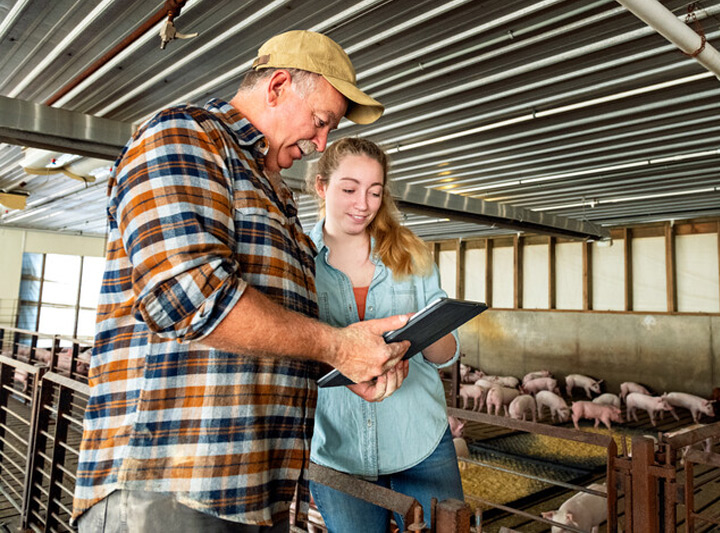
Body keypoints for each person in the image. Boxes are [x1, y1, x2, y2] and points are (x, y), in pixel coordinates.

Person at [72, 31, 412, 533]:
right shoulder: (186, 138)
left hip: (252, 488)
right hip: (172, 484)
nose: (321, 144)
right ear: (276, 86)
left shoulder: (272, 191)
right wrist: (336, 346)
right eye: (321, 122)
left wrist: (346, 366)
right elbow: (188, 298)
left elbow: (270, 331)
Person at [306, 137, 464, 532]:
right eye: (349, 189)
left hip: (421, 439)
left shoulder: (410, 253)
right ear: (321, 186)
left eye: (374, 192)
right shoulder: (297, 258)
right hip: (336, 448)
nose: (363, 204)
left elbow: (445, 355)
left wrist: (430, 329)